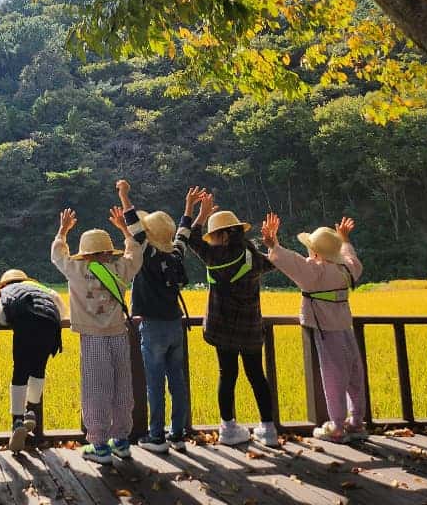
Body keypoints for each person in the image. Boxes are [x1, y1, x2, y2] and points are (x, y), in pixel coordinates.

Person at [181, 192, 278, 447]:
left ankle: (227, 428)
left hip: (221, 328)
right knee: (257, 376)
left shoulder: (213, 256)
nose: (210, 240)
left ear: (222, 235)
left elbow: (190, 237)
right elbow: (274, 263)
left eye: (213, 236)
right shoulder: (252, 256)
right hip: (250, 328)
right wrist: (272, 243)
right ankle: (268, 430)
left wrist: (198, 213)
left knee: (227, 375)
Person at [261, 213, 367, 443]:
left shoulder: (315, 272)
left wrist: (274, 244)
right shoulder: (346, 271)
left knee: (333, 376)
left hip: (326, 329)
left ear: (316, 253)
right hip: (345, 327)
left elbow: (291, 261)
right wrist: (345, 239)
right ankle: (357, 421)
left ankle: (337, 427)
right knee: (354, 373)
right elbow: (351, 258)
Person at [51, 206, 142, 465]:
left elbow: (58, 255)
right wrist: (124, 230)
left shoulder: (77, 271)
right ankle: (122, 442)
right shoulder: (121, 269)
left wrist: (63, 230)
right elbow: (135, 253)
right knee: (122, 386)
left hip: (92, 338)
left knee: (95, 388)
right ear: (107, 250)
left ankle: (99, 445)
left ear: (85, 253)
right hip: (118, 335)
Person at [115, 179, 191, 453]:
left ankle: (157, 437)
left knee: (155, 384)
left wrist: (124, 195)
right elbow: (184, 234)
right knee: (177, 382)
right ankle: (178, 434)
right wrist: (189, 208)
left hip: (153, 327)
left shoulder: (148, 253)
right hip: (174, 324)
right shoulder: (175, 254)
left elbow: (136, 227)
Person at [0, 268, 65, 452]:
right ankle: (30, 409)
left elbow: (0, 316)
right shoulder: (41, 288)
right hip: (50, 324)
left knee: (20, 371)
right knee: (38, 368)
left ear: (5, 284)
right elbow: (61, 309)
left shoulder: (7, 292)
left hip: (26, 326)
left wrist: (15, 319)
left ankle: (17, 420)